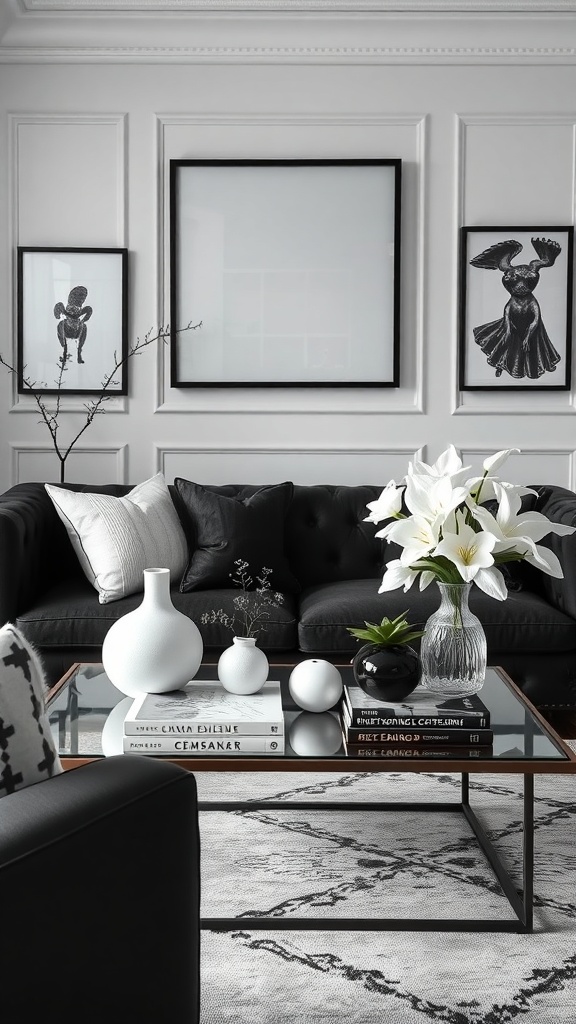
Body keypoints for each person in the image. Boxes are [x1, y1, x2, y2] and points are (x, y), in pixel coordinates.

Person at [470, 236, 561, 379]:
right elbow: (507, 314)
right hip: (512, 326)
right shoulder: (513, 301)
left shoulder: (532, 302)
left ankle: (542, 365)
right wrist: (507, 328)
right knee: (505, 347)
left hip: (531, 330)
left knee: (533, 349)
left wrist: (527, 336)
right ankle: (500, 365)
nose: (520, 287)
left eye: (526, 281)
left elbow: (536, 320)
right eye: (514, 280)